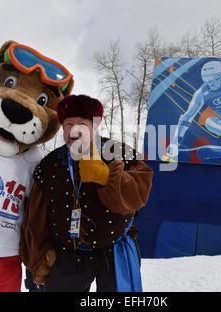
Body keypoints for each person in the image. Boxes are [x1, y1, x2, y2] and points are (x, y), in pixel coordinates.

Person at [20, 95, 153, 292]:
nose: (74, 130)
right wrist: (38, 260)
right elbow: (36, 218)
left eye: (81, 124)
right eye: (68, 124)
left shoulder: (118, 151)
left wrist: (107, 177)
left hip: (113, 252)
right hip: (67, 254)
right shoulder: (49, 164)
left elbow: (139, 194)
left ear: (94, 126)